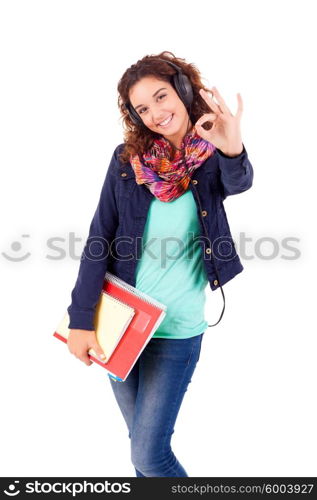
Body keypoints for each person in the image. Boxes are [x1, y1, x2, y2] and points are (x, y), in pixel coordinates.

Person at [66, 51, 254, 477]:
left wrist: (233, 146)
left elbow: (239, 182)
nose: (155, 112)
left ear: (184, 91)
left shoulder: (211, 157)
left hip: (178, 329)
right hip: (118, 326)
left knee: (149, 456)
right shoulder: (125, 162)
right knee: (142, 451)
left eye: (162, 96)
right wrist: (81, 319)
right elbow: (99, 239)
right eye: (143, 107)